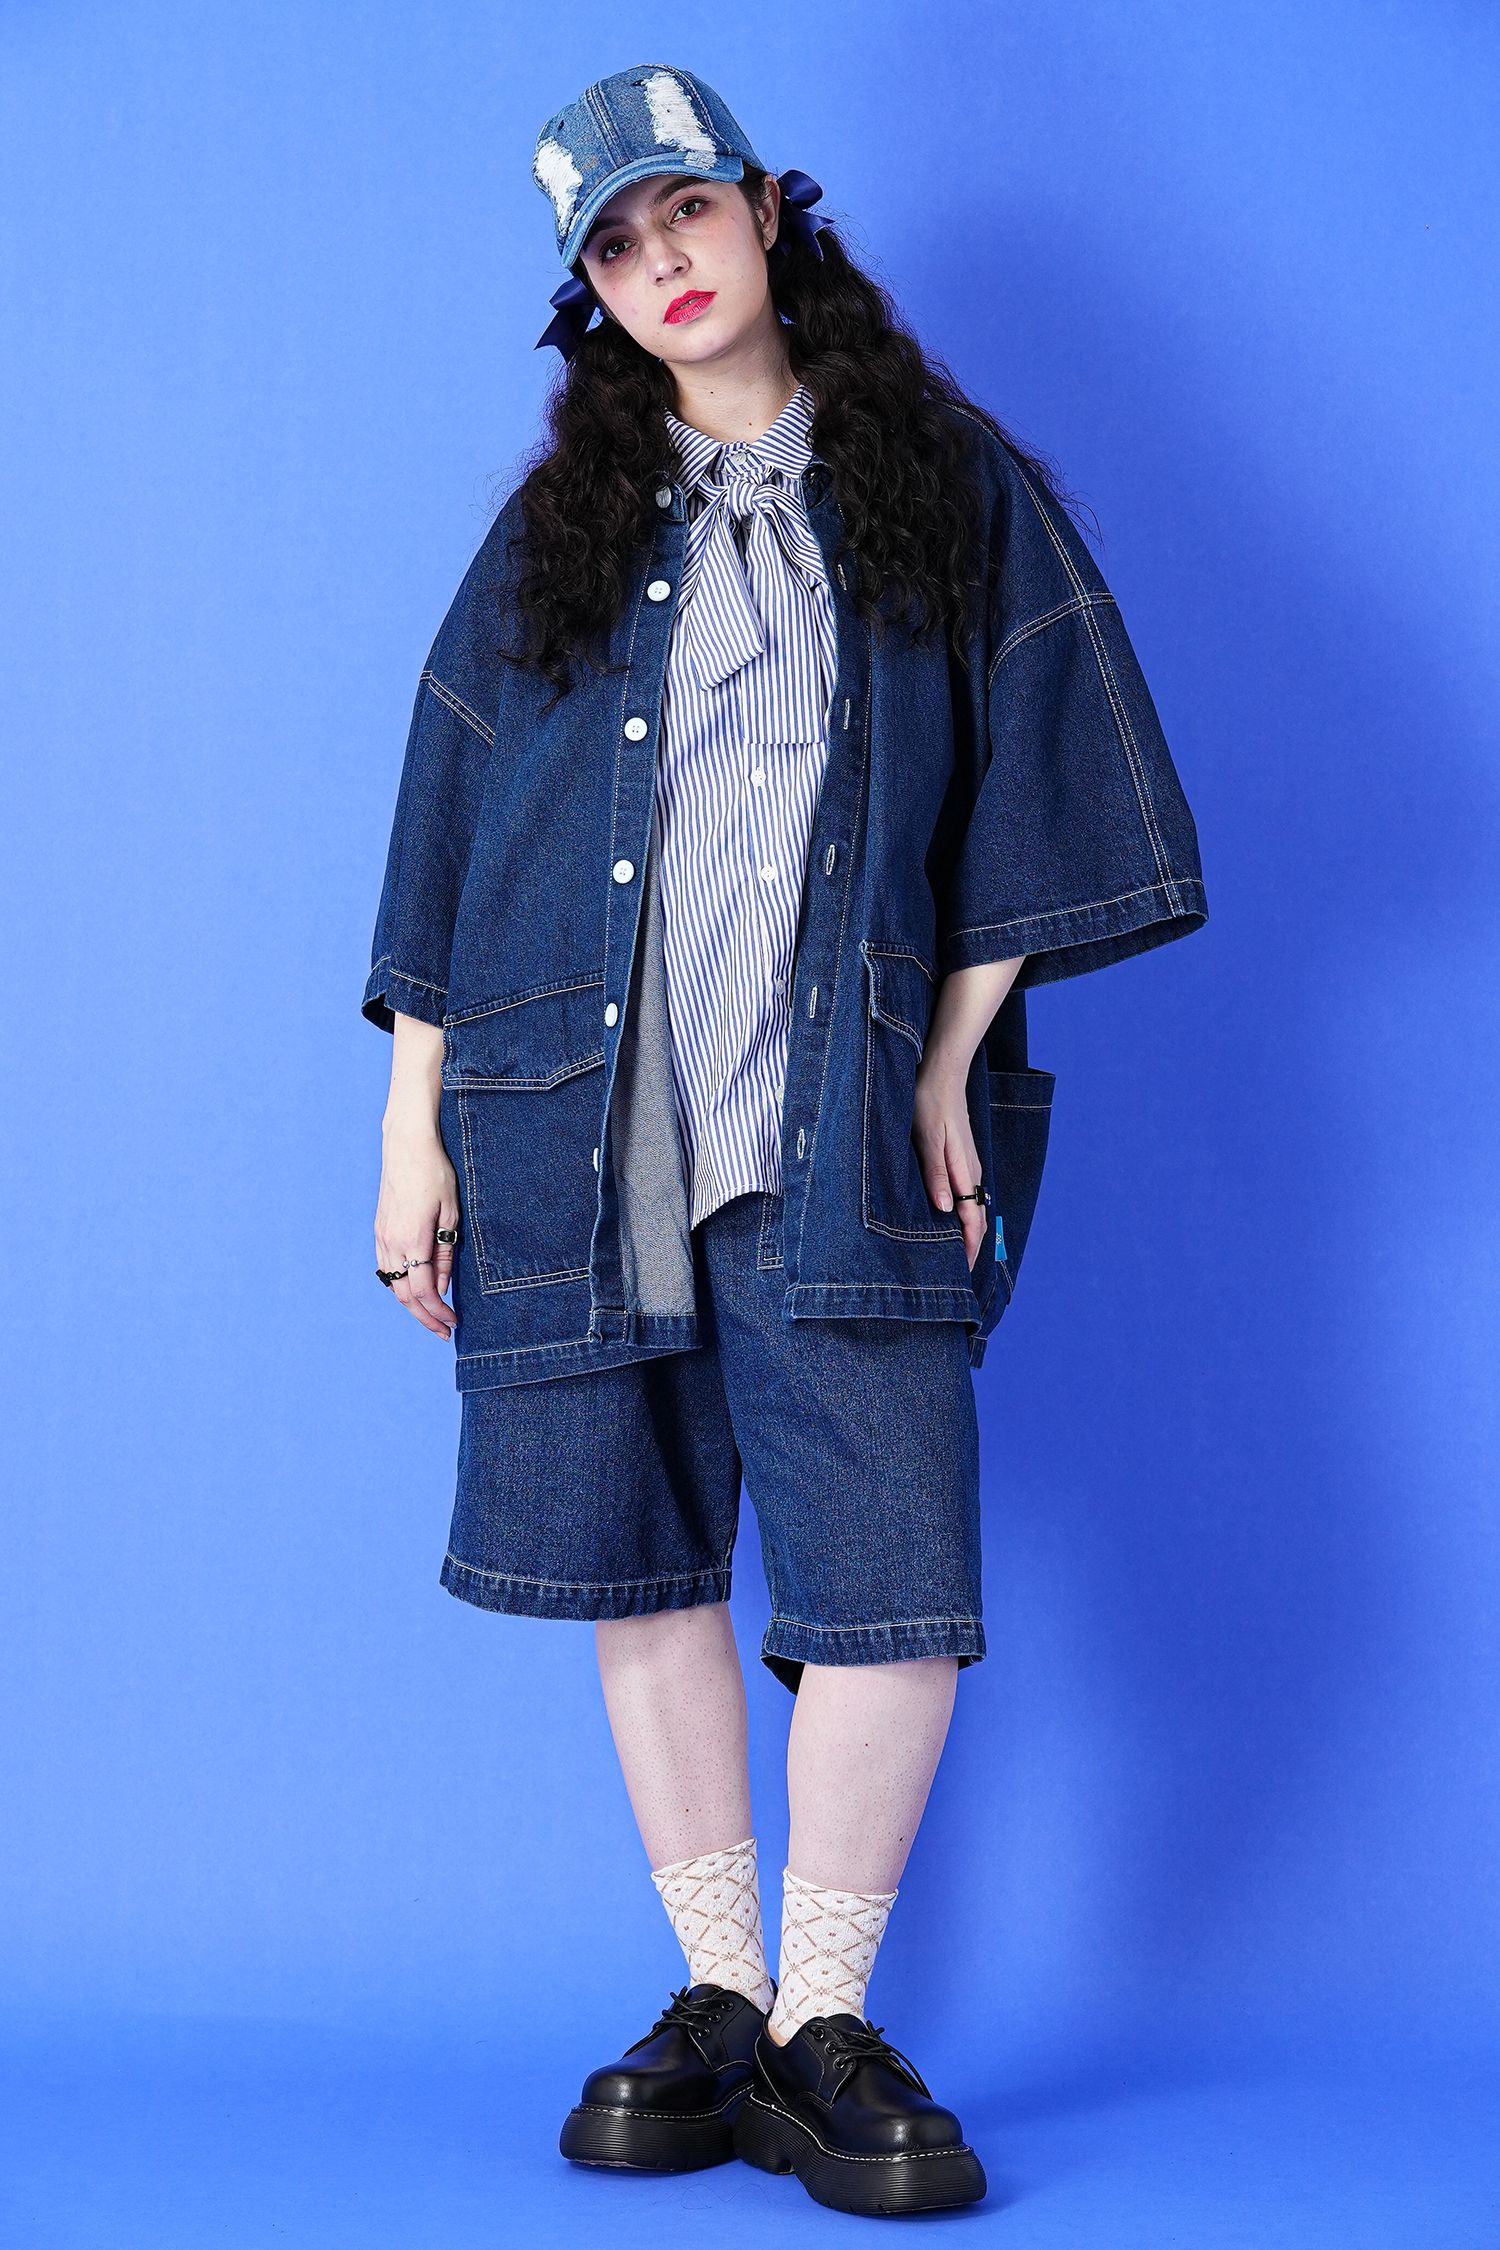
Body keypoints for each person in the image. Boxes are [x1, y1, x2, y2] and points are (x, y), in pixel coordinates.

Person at [362, 62, 1208, 2221]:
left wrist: (943, 1059)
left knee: (889, 1580)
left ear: (758, 209)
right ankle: (723, 2000)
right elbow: (450, 822)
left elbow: (1042, 769)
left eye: (683, 214)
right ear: (589, 291)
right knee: (636, 1555)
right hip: (580, 1126)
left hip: (841, 1116)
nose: (660, 264)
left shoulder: (941, 480)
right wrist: (411, 1131)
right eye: (613, 247)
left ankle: (828, 2017)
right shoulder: (557, 532)